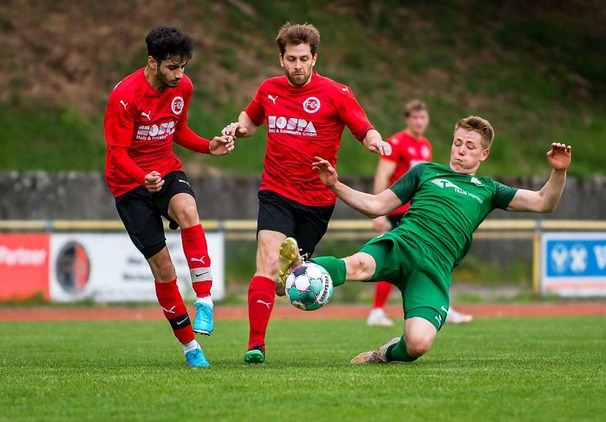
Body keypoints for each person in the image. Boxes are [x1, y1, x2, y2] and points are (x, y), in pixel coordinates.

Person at [280, 115, 571, 364]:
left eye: (470, 147)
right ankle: (297, 271)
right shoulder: (425, 171)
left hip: (434, 268)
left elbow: (544, 202)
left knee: (417, 344)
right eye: (457, 143)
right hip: (403, 244)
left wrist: (559, 171)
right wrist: (334, 184)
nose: (460, 151)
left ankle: (383, 354)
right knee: (358, 264)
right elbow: (375, 206)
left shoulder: (489, 189)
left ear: (484, 154)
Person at [220, 22, 391, 363]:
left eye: (303, 59)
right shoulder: (269, 90)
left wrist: (376, 141)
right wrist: (238, 128)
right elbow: (251, 120)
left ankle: (290, 270)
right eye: (291, 59)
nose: (297, 66)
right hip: (276, 191)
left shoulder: (336, 93)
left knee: (289, 280)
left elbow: (362, 127)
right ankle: (256, 345)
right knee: (267, 262)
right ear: (280, 59)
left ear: (315, 58)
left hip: (317, 201)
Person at [103, 26, 235, 368]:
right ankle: (190, 346)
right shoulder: (125, 96)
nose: (180, 74)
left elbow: (178, 131)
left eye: (184, 67)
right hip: (129, 184)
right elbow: (116, 152)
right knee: (163, 269)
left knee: (188, 209)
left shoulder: (183, 87)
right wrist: (139, 177)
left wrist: (209, 146)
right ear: (152, 62)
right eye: (172, 67)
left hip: (165, 169)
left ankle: (205, 301)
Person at [367, 100, 473, 326]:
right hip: (398, 210)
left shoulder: (425, 145)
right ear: (407, 119)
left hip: (419, 211)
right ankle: (377, 310)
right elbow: (381, 175)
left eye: (422, 118)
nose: (419, 122)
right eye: (414, 118)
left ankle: (441, 305)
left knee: (434, 256)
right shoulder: (397, 142)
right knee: (394, 258)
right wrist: (380, 214)